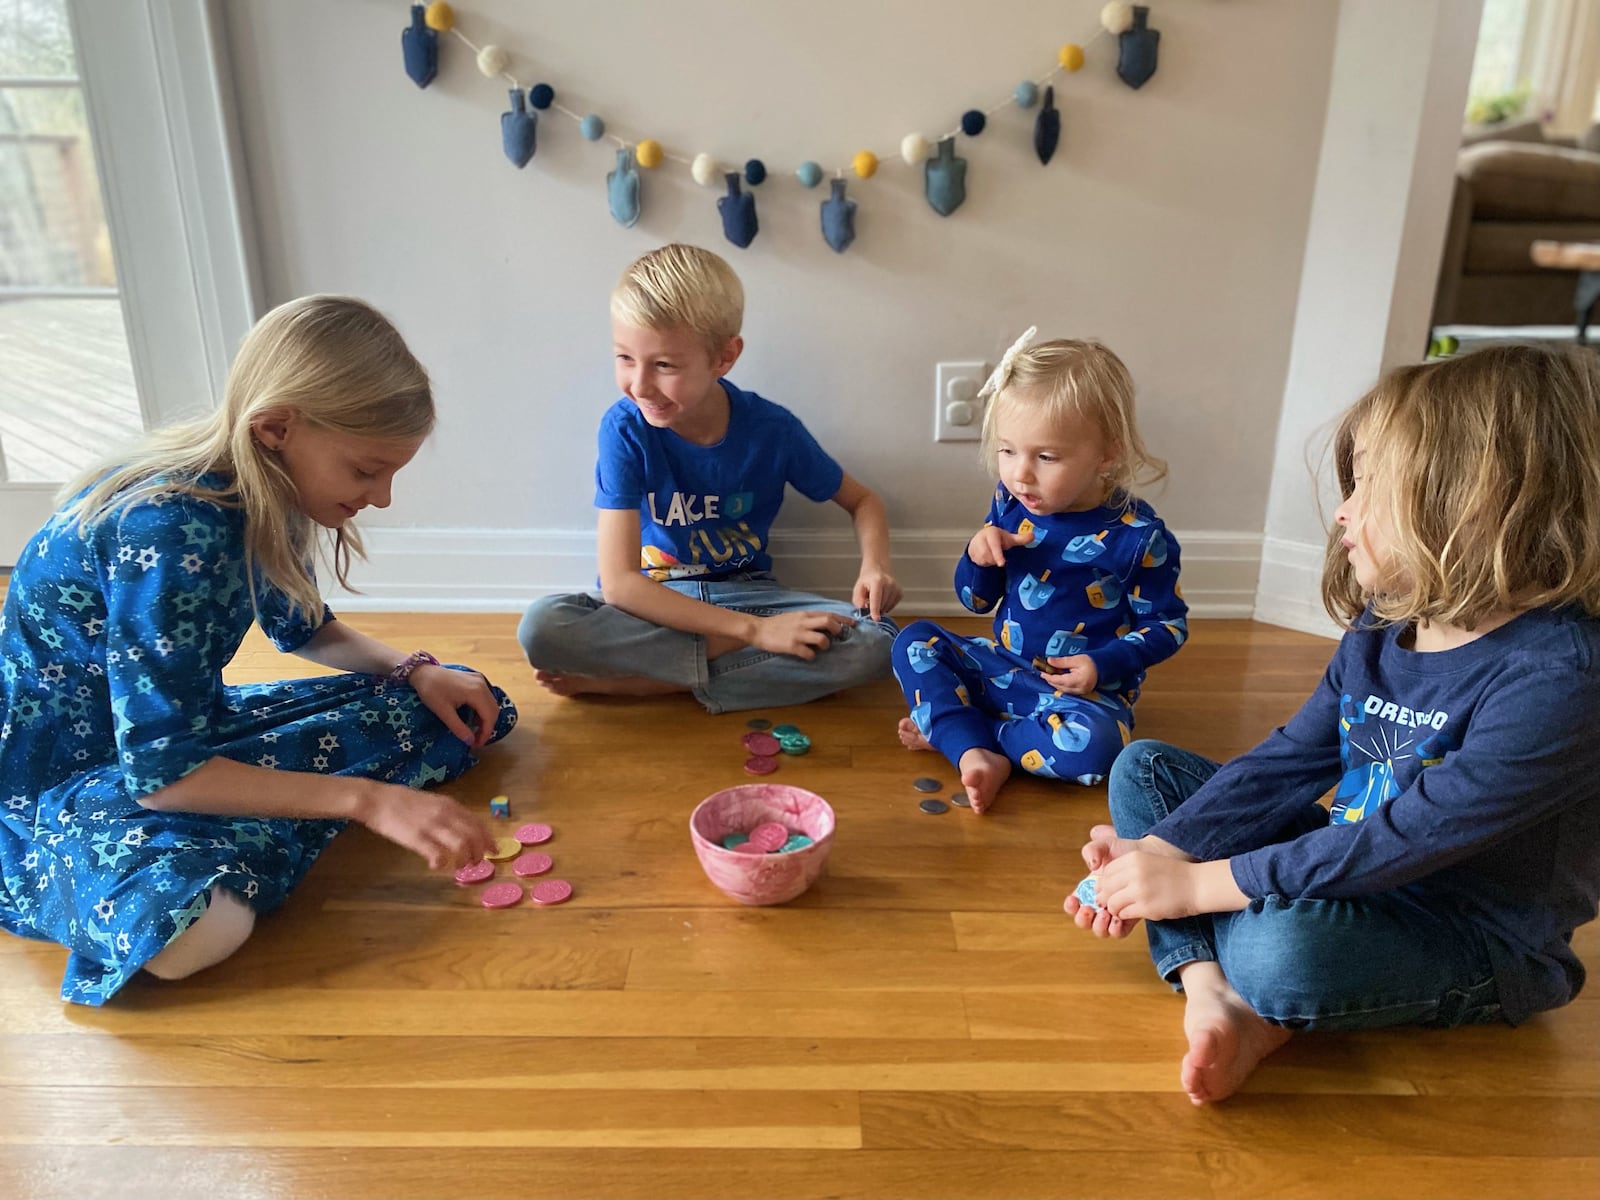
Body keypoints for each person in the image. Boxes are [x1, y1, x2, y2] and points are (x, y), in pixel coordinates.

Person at [1065, 343, 1600, 1106]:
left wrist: (1196, 885)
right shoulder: (1390, 620)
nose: (1343, 511)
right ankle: (1212, 991)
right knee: (1146, 772)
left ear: (1474, 499)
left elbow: (1403, 840)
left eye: (1373, 484)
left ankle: (1251, 984)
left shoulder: (1560, 680)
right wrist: (1158, 850)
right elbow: (1293, 760)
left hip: (1462, 933)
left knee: (1284, 951)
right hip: (1348, 864)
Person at [0, 294, 518, 1005]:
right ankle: (217, 842)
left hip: (183, 737)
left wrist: (417, 671)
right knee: (192, 934)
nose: (384, 498)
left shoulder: (267, 491)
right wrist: (368, 802)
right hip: (75, 785)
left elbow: (302, 628)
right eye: (367, 471)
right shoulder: (169, 531)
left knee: (459, 705)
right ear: (276, 428)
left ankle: (256, 822)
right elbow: (158, 774)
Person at [519, 243, 902, 713]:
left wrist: (875, 567)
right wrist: (756, 634)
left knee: (878, 640)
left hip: (747, 593)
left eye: (664, 365)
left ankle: (649, 683)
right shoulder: (624, 428)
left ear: (724, 357)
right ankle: (721, 667)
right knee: (542, 626)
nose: (639, 385)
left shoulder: (772, 430)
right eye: (624, 358)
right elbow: (620, 584)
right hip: (651, 603)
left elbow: (864, 501)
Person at [892, 330, 1185, 813]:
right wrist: (978, 557)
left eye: (1045, 456)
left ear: (1107, 452)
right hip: (1003, 670)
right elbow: (976, 601)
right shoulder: (1011, 502)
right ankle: (977, 745)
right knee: (914, 641)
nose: (1020, 473)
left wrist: (1102, 665)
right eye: (1008, 451)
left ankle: (966, 737)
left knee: (1098, 749)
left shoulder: (1138, 536)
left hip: (1081, 698)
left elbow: (1168, 626)